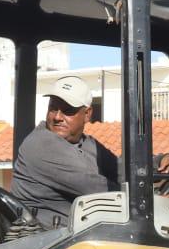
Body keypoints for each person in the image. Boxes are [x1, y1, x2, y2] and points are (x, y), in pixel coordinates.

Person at [11, 76, 120, 228]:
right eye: (53, 108)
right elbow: (99, 189)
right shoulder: (41, 144)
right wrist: (148, 198)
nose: (57, 117)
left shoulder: (86, 143)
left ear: (87, 114)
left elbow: (120, 167)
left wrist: (159, 163)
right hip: (50, 243)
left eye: (68, 110)